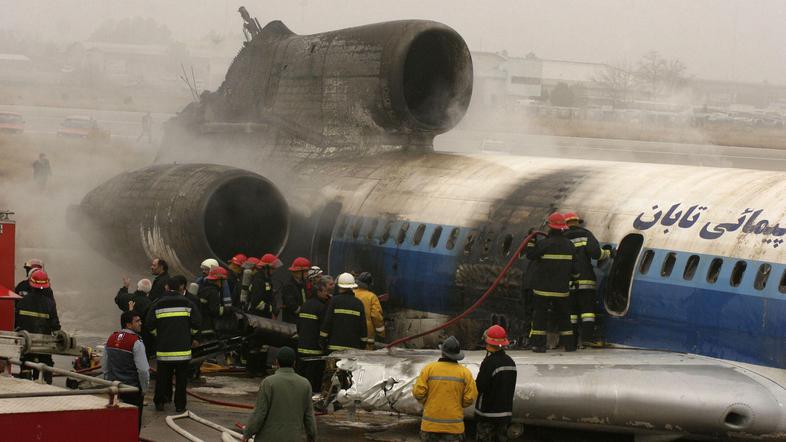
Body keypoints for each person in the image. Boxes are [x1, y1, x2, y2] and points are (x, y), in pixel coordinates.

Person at [525, 213, 579, 353]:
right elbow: (575, 269)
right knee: (564, 317)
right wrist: (574, 279)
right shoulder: (569, 245)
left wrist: (531, 240)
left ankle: (539, 345)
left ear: (550, 227)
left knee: (540, 318)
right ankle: (569, 345)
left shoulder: (544, 244)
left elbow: (530, 255)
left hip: (542, 290)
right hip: (561, 290)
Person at [146, 277, 202, 412]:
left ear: (167, 287)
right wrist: (189, 336)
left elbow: (149, 324)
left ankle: (160, 402)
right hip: (183, 350)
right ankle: (180, 406)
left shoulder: (158, 303)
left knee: (162, 377)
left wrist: (158, 335)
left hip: (164, 350)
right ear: (180, 288)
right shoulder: (188, 303)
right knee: (181, 380)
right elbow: (197, 323)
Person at [241, 347, 317, 442]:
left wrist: (247, 433)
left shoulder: (269, 382)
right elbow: (309, 416)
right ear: (294, 363)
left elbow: (259, 413)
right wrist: (312, 436)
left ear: (277, 362)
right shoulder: (305, 384)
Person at [413, 336, 478, 441]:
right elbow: (470, 397)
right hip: (454, 427)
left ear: (442, 352)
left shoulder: (429, 369)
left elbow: (418, 392)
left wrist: (427, 402)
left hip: (430, 426)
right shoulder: (465, 373)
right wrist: (458, 404)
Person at [562, 212, 610, 347]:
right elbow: (596, 253)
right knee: (587, 312)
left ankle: (571, 340)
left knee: (571, 313)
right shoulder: (585, 234)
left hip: (567, 282)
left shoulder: (561, 237)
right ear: (578, 222)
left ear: (565, 224)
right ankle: (587, 338)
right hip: (585, 281)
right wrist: (607, 253)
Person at [102, 311, 150, 432]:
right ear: (128, 324)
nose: (141, 323)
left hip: (115, 388)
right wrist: (144, 388)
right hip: (132, 389)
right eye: (137, 321)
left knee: (116, 420)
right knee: (133, 423)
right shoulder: (136, 342)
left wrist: (108, 382)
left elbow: (105, 365)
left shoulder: (111, 338)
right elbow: (143, 370)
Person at [14, 269, 60, 384]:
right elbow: (55, 326)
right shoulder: (50, 304)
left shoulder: (22, 301)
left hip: (27, 345)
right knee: (45, 370)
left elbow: (16, 323)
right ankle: (46, 385)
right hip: (44, 347)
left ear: (31, 284)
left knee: (25, 371)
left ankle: (25, 381)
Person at [474, 325, 517, 442]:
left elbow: (480, 386)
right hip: (504, 414)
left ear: (488, 342)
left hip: (487, 415)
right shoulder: (510, 362)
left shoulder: (489, 363)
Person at [296, 275, 332, 392]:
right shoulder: (322, 307)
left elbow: (298, 325)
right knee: (313, 381)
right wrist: (324, 343)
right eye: (325, 291)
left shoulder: (305, 305)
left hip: (302, 349)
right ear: (318, 292)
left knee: (300, 378)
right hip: (315, 351)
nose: (327, 294)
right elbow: (324, 327)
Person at [319, 273, 367, 351]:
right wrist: (363, 343)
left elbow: (327, 322)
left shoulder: (334, 301)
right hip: (353, 348)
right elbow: (363, 326)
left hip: (334, 347)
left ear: (339, 286)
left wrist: (322, 340)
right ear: (352, 286)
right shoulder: (358, 303)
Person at [353, 272, 385, 349]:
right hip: (367, 335)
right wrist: (381, 332)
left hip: (351, 332)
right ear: (370, 284)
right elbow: (376, 316)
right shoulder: (372, 297)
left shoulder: (351, 293)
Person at [196, 266, 227, 343]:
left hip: (200, 325)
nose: (224, 283)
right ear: (218, 280)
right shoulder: (213, 292)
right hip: (207, 328)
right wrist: (228, 310)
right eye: (223, 280)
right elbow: (215, 311)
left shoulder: (205, 289)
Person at [248, 253, 282, 318]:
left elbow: (267, 294)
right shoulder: (259, 280)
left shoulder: (266, 279)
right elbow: (256, 303)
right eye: (272, 268)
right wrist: (271, 308)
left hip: (263, 316)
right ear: (266, 267)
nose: (274, 270)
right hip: (257, 317)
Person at [281, 257, 311, 324]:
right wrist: (305, 311)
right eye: (306, 271)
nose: (307, 273)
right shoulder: (289, 286)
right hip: (292, 322)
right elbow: (292, 306)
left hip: (301, 320)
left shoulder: (302, 284)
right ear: (299, 272)